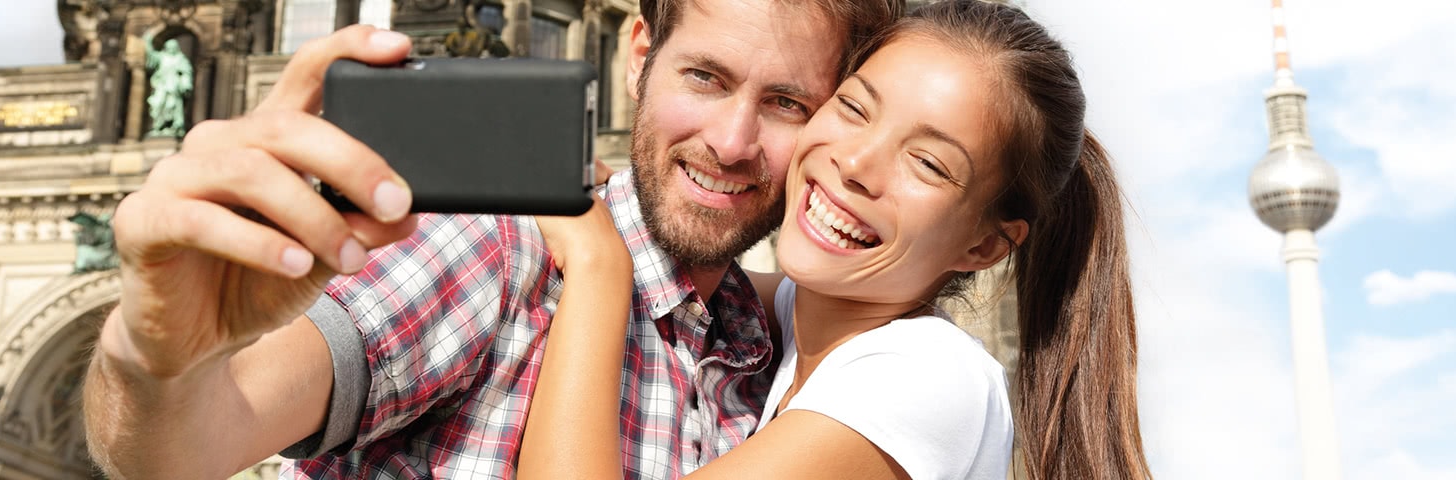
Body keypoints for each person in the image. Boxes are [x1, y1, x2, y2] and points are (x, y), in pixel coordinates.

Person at [81, 0, 900, 478]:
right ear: (638, 55)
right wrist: (153, 359)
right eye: (706, 78)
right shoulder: (499, 247)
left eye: (788, 103)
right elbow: (177, 449)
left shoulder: (768, 347)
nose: (731, 140)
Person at [519, 1, 1153, 479]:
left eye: (928, 164)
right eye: (854, 108)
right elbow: (681, 269)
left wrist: (599, 265)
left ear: (983, 248)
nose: (855, 164)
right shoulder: (806, 322)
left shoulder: (926, 377)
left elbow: (635, 265)